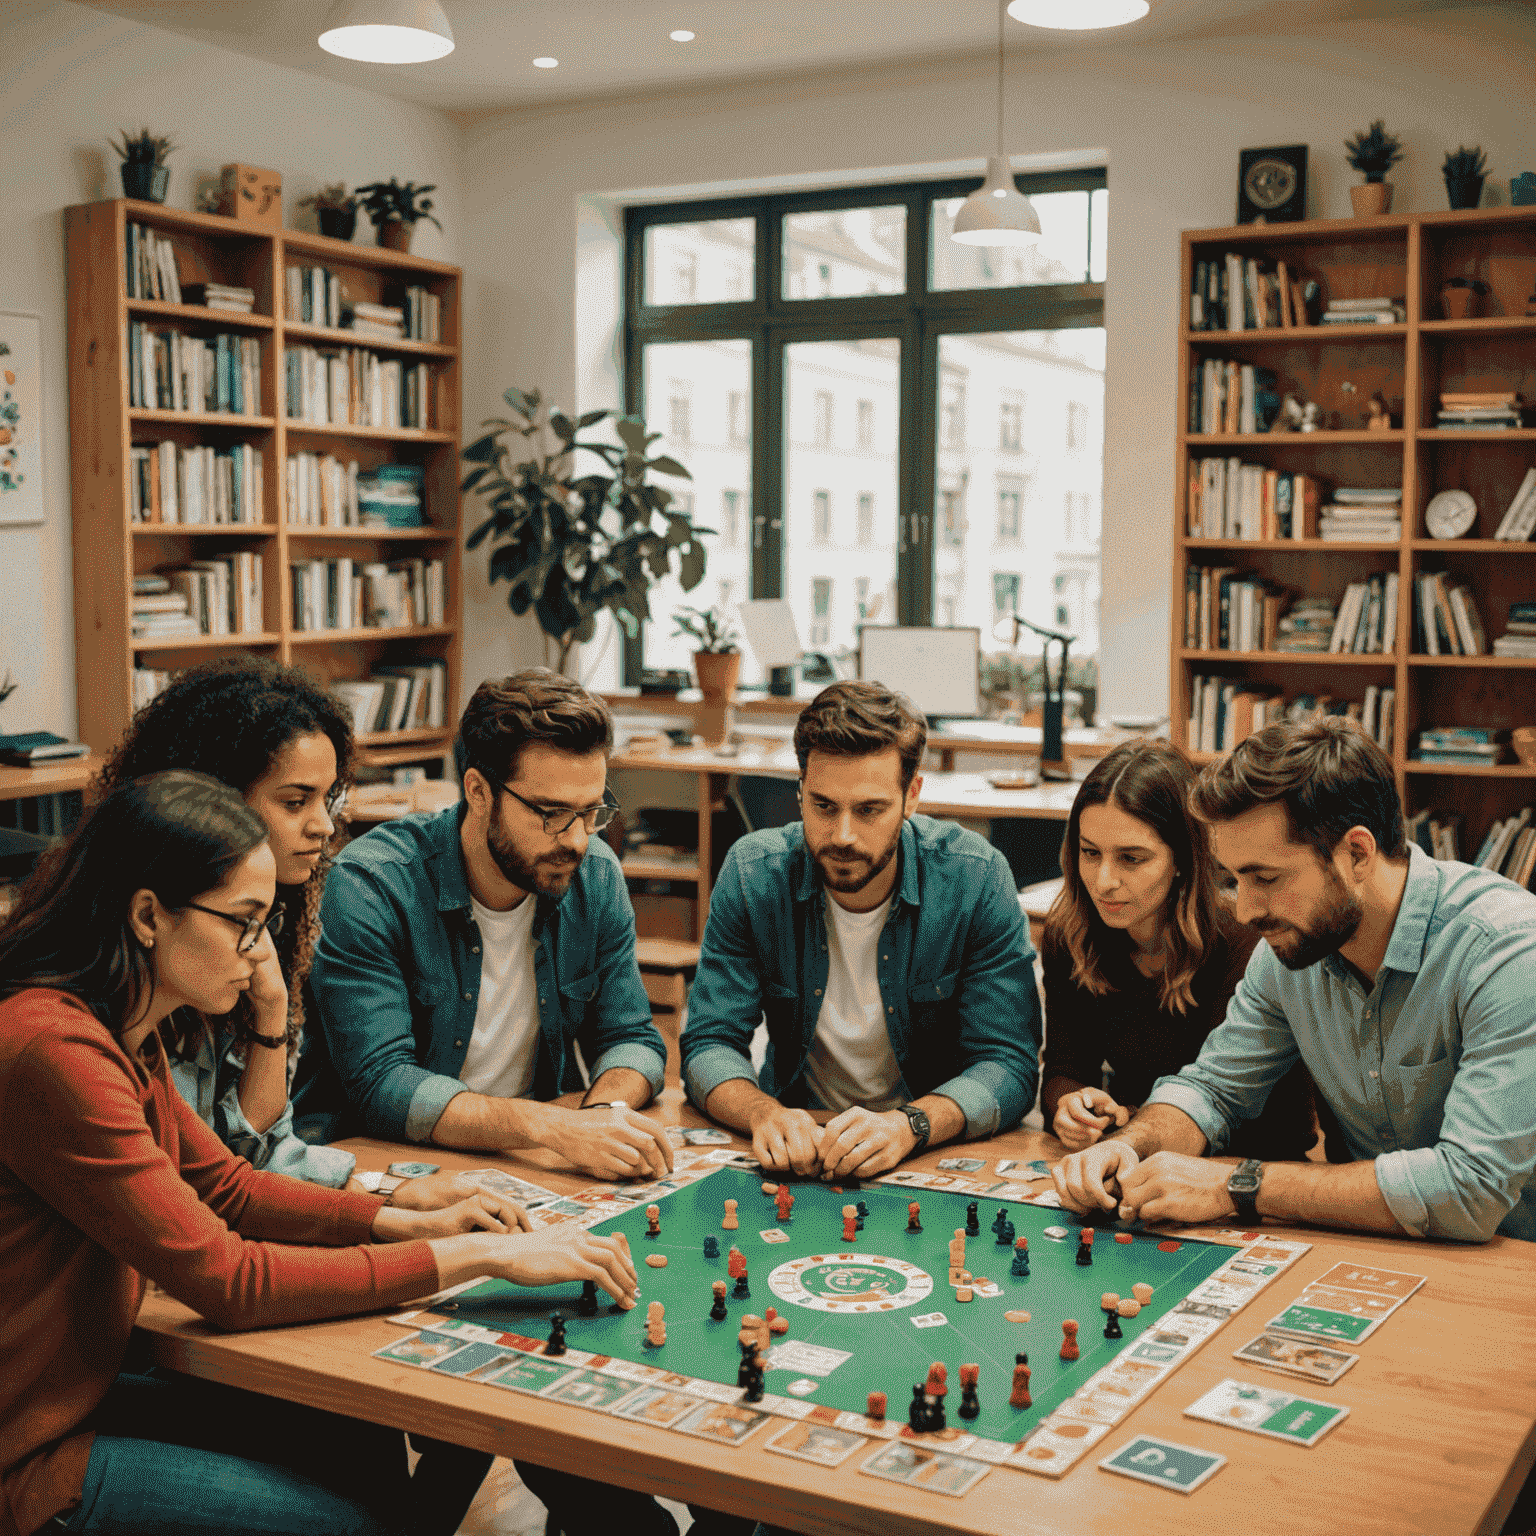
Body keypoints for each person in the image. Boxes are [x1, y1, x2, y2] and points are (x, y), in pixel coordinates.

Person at [0, 770, 643, 1536]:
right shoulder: (54, 1050)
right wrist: (475, 1256)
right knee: (358, 1521)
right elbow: (227, 1278)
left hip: (81, 1393)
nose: (259, 951)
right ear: (148, 915)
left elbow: (231, 1188)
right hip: (30, 1455)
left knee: (354, 1430)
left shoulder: (114, 1030)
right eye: (242, 921)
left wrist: (400, 1221)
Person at [1052, 718, 1536, 1245]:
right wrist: (1130, 1144)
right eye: (1235, 878)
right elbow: (1213, 1089)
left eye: (1266, 878)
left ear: (1356, 853)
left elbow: (1472, 1187)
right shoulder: (1286, 952)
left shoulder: (1506, 949)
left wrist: (1237, 1185)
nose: (1245, 909)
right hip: (1378, 1246)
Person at [93, 657, 478, 1211]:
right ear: (213, 798)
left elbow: (252, 1159)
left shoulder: (278, 922)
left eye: (329, 799)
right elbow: (203, 1194)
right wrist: (399, 1221)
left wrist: (390, 1192)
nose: (323, 825)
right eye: (295, 802)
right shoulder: (140, 966)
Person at [307, 669, 673, 1183]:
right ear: (478, 792)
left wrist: (602, 1116)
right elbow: (381, 1084)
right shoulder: (374, 883)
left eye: (591, 812)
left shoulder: (593, 875)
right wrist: (551, 1127)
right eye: (551, 813)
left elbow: (632, 1037)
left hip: (530, 1161)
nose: (577, 841)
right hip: (390, 1171)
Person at [681, 681, 1041, 1178]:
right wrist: (764, 1113)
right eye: (824, 806)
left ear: (911, 795)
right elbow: (708, 1043)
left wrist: (909, 1125)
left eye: (869, 810)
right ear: (801, 791)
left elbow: (1009, 1065)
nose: (843, 835)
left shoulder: (975, 877)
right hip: (800, 1144)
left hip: (930, 1149)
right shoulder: (754, 874)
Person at [1040, 739, 1316, 1161]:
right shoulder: (1071, 935)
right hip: (1135, 1157)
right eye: (1090, 853)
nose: (1104, 881)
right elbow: (1064, 1070)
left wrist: (1132, 1123)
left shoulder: (1247, 943)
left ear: (1183, 858)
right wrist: (1072, 1108)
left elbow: (1274, 1124)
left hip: (1243, 1167)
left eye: (1132, 859)